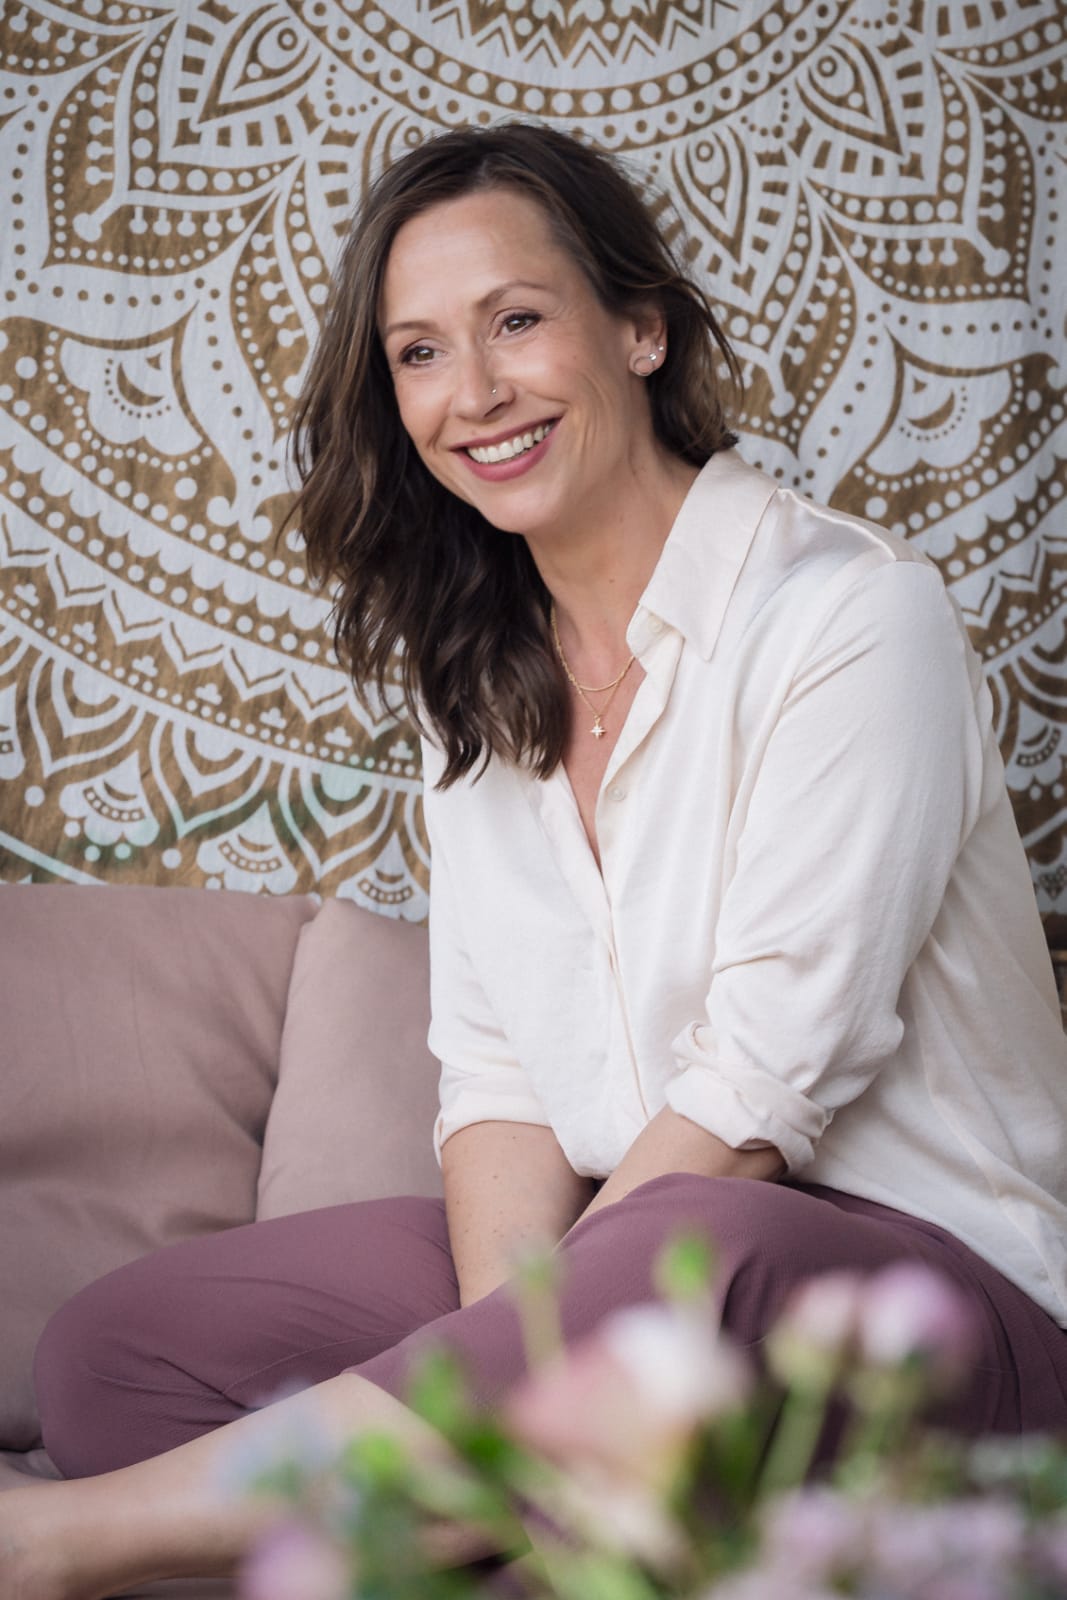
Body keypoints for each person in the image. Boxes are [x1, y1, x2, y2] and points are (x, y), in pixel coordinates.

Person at [5, 121, 1067, 1599]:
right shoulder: (479, 685)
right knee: (116, 1355)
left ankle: (58, 1547)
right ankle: (541, 1502)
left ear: (640, 330)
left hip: (920, 1311)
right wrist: (520, 1350)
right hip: (636, 1260)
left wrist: (537, 1357)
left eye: (516, 321)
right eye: (420, 352)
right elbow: (498, 1077)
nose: (476, 392)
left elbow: (764, 1085)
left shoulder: (851, 615)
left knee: (700, 1242)